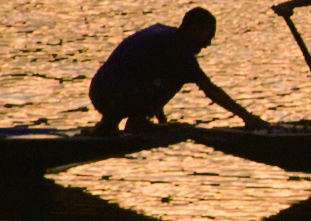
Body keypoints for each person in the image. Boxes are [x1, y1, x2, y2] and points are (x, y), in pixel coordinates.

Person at [86, 7, 261, 134]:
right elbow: (210, 90)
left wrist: (161, 119)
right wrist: (247, 117)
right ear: (194, 29)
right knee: (179, 76)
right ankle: (136, 123)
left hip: (100, 92)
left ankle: (107, 125)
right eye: (207, 36)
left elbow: (147, 72)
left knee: (168, 74)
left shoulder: (163, 33)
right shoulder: (178, 50)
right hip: (112, 97)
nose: (207, 44)